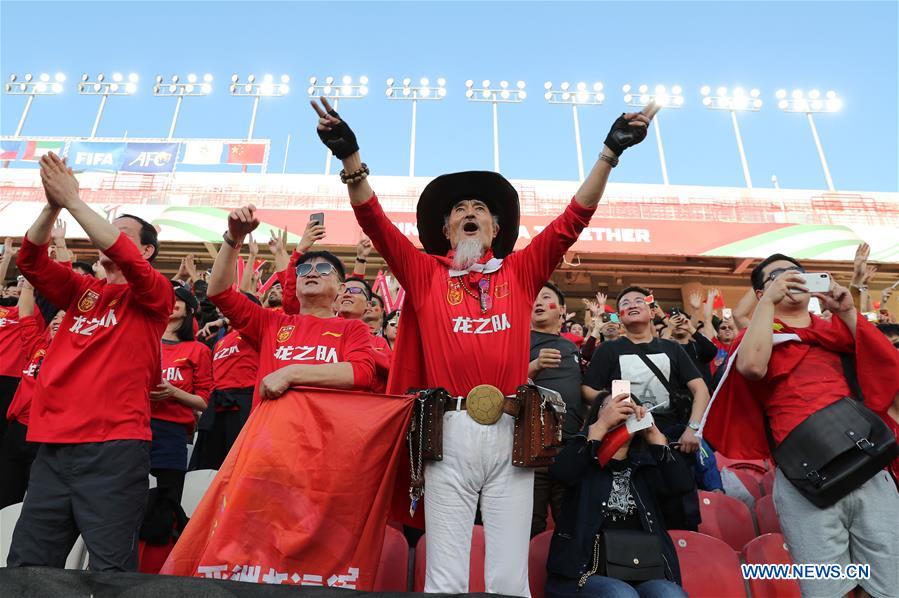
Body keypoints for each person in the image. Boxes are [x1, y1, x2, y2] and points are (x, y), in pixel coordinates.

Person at [311, 95, 654, 595]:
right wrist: (350, 159)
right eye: (459, 211)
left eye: (480, 210)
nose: (469, 213)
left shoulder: (521, 271)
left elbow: (573, 220)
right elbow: (375, 223)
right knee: (444, 576)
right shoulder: (424, 273)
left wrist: (609, 153)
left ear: (496, 229)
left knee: (509, 578)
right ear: (445, 231)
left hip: (513, 431)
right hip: (446, 431)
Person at [10, 152, 173, 571]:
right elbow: (29, 261)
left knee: (110, 571)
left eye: (121, 231)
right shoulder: (82, 290)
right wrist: (53, 205)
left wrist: (75, 202)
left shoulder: (155, 294)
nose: (106, 234)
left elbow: (125, 257)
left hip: (113, 448)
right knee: (28, 566)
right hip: (53, 447)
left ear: (147, 250)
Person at [701, 254, 899, 598]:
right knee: (825, 589)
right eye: (776, 276)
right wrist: (768, 305)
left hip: (867, 466)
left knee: (888, 585)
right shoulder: (755, 337)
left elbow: (887, 366)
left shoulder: (836, 329)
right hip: (805, 480)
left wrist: (847, 310)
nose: (789, 278)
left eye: (796, 273)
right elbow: (751, 368)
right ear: (761, 294)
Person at [545, 391, 691, 598]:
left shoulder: (648, 464)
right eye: (611, 406)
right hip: (584, 572)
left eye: (628, 408)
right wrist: (600, 428)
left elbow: (683, 486)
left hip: (642, 572)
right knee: (620, 594)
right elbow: (560, 472)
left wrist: (656, 439)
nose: (620, 412)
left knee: (671, 594)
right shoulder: (582, 457)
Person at [140, 282, 212, 564]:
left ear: (188, 309)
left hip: (171, 433)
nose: (170, 302)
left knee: (165, 502)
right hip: (134, 426)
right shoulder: (144, 340)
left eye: (177, 298)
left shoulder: (197, 350)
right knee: (125, 499)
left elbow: (203, 402)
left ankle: (155, 567)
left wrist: (173, 392)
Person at [0, 279, 63, 508]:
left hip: (46, 434)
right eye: (55, 318)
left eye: (65, 319)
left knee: (36, 500)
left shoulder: (79, 358)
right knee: (6, 493)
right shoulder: (38, 348)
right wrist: (27, 285)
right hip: (17, 430)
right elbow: (25, 316)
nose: (58, 321)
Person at [528, 282, 584, 537]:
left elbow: (580, 389)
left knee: (571, 526)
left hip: (568, 445)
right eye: (534, 298)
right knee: (530, 525)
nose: (538, 302)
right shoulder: (518, 340)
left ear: (562, 310)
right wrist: (535, 365)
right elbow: (502, 384)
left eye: (546, 297)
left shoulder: (571, 347)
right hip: (531, 447)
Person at [189, 294, 260, 471]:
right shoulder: (220, 341)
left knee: (239, 467)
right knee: (206, 469)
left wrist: (222, 321)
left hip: (243, 405)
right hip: (216, 407)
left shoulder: (257, 332)